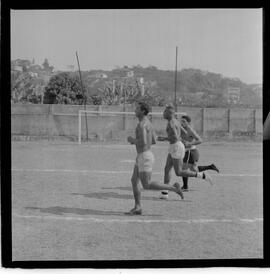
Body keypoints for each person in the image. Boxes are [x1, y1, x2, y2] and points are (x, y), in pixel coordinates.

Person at [126, 101, 184, 215]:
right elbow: (153, 141)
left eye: (137, 108)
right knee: (134, 180)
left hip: (144, 156)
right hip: (142, 156)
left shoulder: (142, 124)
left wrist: (132, 140)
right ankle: (138, 207)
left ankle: (173, 188)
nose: (135, 110)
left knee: (146, 184)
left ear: (142, 111)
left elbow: (143, 142)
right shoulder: (149, 123)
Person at [157, 105, 213, 200]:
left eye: (165, 112)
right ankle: (164, 193)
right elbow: (183, 133)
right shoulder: (175, 122)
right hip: (173, 146)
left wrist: (169, 139)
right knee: (167, 169)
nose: (163, 113)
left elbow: (175, 137)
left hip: (176, 147)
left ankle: (202, 175)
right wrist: (169, 138)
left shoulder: (171, 123)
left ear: (169, 114)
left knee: (179, 172)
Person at [180, 115, 219, 192]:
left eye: (184, 121)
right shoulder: (182, 129)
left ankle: (185, 187)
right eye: (181, 121)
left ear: (188, 123)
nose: (182, 123)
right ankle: (210, 167)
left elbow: (200, 140)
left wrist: (190, 143)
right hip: (189, 152)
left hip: (190, 152)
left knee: (183, 169)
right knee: (193, 169)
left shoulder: (190, 130)